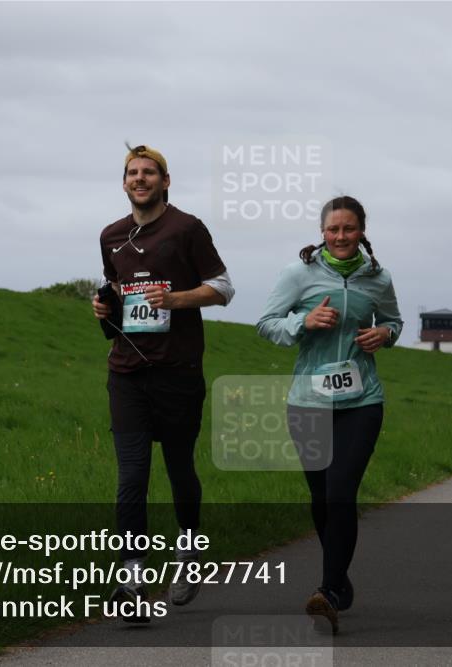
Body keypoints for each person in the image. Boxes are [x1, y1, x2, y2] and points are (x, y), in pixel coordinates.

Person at [91, 144, 234, 621]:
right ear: (125, 182)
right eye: (132, 172)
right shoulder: (111, 235)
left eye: (149, 172)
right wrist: (104, 308)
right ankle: (131, 577)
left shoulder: (187, 229)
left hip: (178, 373)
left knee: (178, 470)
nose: (140, 179)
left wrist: (177, 300)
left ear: (165, 181)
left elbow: (224, 288)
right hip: (127, 372)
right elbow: (117, 294)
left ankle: (189, 554)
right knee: (131, 477)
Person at [257, 195, 402, 634]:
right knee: (321, 499)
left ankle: (329, 589)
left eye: (349, 229)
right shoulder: (298, 274)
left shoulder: (378, 277)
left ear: (362, 231)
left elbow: (393, 321)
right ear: (322, 232)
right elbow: (266, 323)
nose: (341, 236)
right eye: (333, 229)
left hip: (362, 401)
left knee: (340, 493)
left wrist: (384, 334)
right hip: (308, 401)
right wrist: (303, 322)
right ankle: (339, 580)